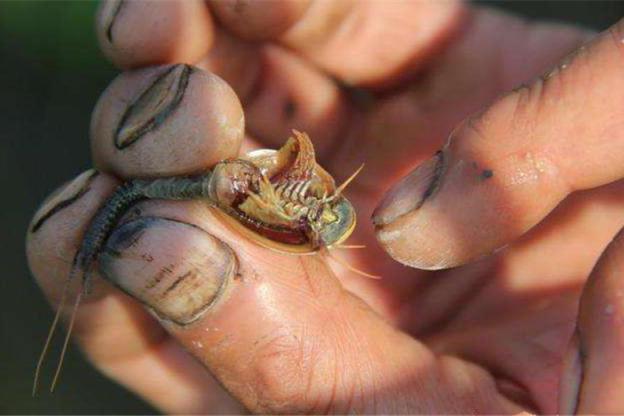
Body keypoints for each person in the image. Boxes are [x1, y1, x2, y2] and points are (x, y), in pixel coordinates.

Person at [26, 0, 624, 413]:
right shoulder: (316, 192)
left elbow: (304, 218)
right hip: (244, 181)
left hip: (245, 198)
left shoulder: (317, 226)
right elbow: (300, 171)